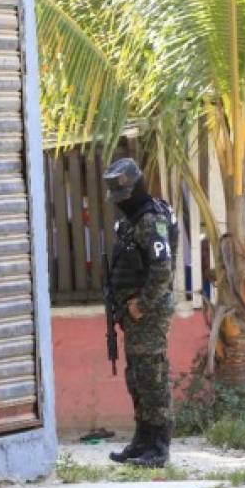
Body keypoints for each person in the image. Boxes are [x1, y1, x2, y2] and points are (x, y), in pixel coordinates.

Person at [103, 158, 178, 467]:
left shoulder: (151, 220)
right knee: (137, 377)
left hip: (149, 313)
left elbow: (162, 270)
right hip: (134, 316)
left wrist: (141, 304)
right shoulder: (131, 223)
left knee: (152, 376)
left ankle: (159, 445)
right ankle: (142, 439)